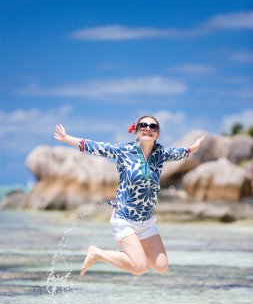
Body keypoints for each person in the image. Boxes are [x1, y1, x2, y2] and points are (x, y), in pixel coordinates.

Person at [54, 116, 204, 276]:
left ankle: (136, 255)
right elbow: (96, 147)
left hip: (146, 221)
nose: (148, 128)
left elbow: (180, 152)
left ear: (157, 134)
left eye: (153, 127)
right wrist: (66, 138)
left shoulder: (161, 154)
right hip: (125, 219)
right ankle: (97, 253)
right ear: (136, 132)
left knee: (162, 266)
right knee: (139, 268)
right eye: (143, 125)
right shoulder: (124, 151)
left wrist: (193, 148)